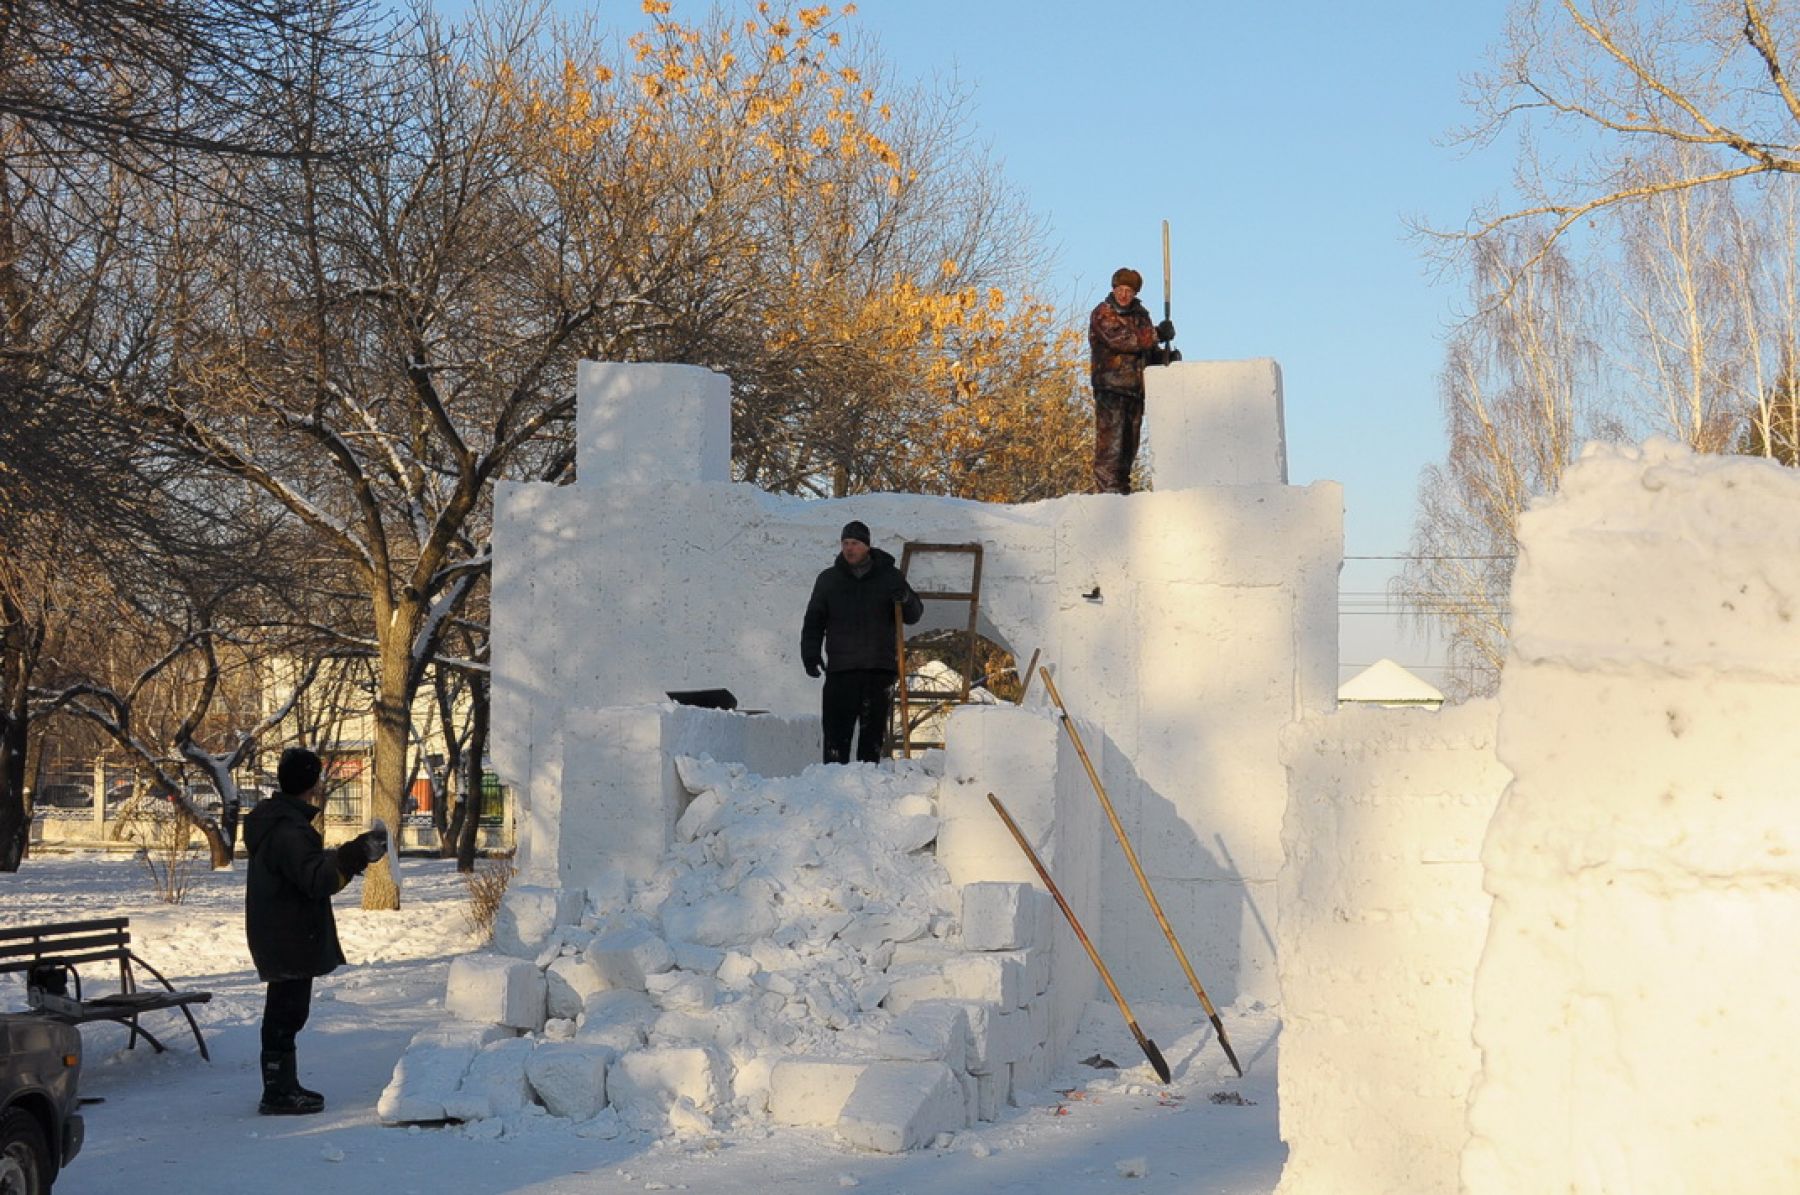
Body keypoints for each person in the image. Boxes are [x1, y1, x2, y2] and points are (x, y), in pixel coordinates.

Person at [243, 747, 387, 1115]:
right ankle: (278, 1092)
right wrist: (356, 854)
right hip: (288, 931)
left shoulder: (280, 822)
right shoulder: (289, 828)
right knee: (286, 1011)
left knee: (286, 1009)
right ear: (313, 782)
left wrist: (341, 854)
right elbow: (315, 880)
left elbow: (302, 868)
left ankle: (282, 1086)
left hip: (281, 928)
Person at [800, 521, 924, 764]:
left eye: (855, 543)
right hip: (841, 670)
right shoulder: (828, 580)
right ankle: (834, 786)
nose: (849, 549)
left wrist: (906, 598)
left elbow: (914, 614)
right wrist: (810, 654)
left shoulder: (890, 577)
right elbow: (814, 620)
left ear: (867, 546)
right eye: (845, 543)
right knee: (835, 738)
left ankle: (868, 789)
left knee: (872, 741)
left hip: (878, 671)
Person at [1088, 266, 1176, 494]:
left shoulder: (1141, 316)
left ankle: (1122, 497)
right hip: (1111, 390)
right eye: (1120, 289)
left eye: (1129, 290)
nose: (1124, 295)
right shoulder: (1103, 313)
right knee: (1111, 450)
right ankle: (1108, 497)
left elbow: (1145, 350)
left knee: (1128, 449)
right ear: (1113, 289)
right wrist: (1156, 334)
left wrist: (1164, 356)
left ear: (1135, 293)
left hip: (1135, 391)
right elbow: (1123, 340)